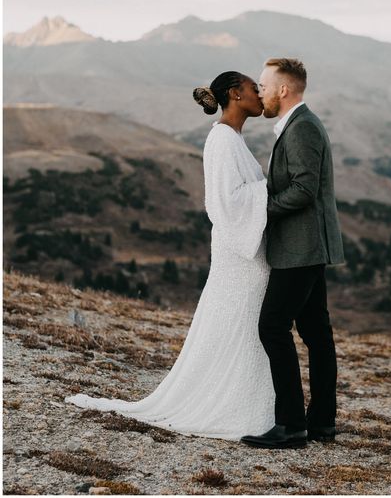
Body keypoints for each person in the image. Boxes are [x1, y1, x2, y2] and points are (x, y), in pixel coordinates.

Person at [64, 71, 276, 441]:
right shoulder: (222, 140)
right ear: (235, 94)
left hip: (249, 249)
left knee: (248, 326)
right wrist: (272, 190)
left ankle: (252, 401)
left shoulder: (235, 139)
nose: (261, 95)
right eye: (254, 88)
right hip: (239, 253)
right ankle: (236, 405)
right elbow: (224, 201)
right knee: (241, 324)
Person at [241, 58, 345, 450]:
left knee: (272, 327)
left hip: (301, 248)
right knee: (317, 334)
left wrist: (258, 210)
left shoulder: (302, 128)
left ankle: (291, 424)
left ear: (283, 90)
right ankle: (321, 422)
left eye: (265, 86)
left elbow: (303, 190)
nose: (261, 92)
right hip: (307, 245)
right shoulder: (298, 124)